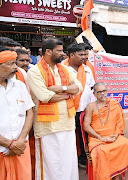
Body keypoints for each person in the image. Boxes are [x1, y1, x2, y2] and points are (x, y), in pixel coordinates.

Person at [27, 38, 83, 179]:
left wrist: (61, 89)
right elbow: (45, 96)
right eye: (59, 51)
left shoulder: (64, 69)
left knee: (68, 160)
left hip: (67, 123)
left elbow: (79, 88)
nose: (63, 54)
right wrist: (67, 95)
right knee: (51, 163)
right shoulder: (34, 72)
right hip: (48, 126)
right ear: (48, 51)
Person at [84, 82, 128, 179]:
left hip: (112, 136)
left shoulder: (114, 104)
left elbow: (120, 123)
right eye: (99, 92)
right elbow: (86, 126)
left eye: (104, 91)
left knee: (126, 143)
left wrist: (115, 135)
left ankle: (115, 174)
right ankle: (111, 176)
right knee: (101, 151)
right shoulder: (91, 106)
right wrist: (100, 137)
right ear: (94, 94)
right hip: (97, 138)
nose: (102, 94)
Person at [0, 47, 34, 180]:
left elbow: (29, 113)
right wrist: (9, 144)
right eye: (11, 64)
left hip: (20, 149)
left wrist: (19, 142)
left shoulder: (19, 85)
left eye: (15, 63)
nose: (16, 67)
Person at [62, 43, 96, 168]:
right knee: (69, 136)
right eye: (81, 54)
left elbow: (91, 86)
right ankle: (69, 161)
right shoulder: (61, 69)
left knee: (84, 135)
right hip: (67, 109)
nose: (85, 57)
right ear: (71, 55)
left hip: (85, 109)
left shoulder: (87, 68)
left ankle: (83, 159)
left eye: (86, 54)